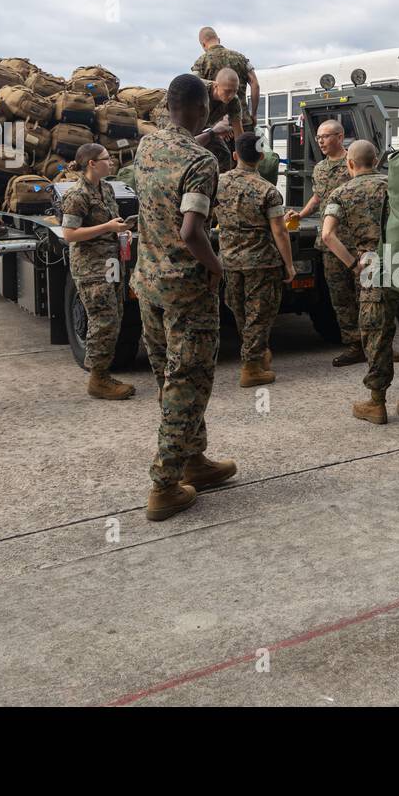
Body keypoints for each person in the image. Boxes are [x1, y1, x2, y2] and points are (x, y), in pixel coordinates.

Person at [132, 74, 237, 522]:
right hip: (187, 291)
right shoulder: (202, 161)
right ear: (202, 108)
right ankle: (165, 485)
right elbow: (192, 231)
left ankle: (194, 459)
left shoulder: (147, 147)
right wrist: (219, 268)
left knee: (168, 378)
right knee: (187, 383)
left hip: (149, 285)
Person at [322, 140, 399, 424]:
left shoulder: (341, 192)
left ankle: (377, 403)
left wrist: (352, 264)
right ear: (377, 161)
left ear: (349, 163)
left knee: (377, 338)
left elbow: (327, 236)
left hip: (374, 268)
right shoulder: (398, 186)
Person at [288, 119, 397, 367]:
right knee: (341, 297)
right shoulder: (321, 168)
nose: (321, 142)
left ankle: (377, 345)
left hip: (358, 241)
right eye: (318, 138)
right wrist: (302, 215)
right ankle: (354, 344)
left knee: (370, 298)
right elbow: (318, 196)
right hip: (331, 244)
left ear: (340, 136)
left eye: (325, 137)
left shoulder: (356, 161)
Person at [218, 132, 295, 387]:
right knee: (259, 315)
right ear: (262, 157)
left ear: (235, 155)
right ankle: (251, 367)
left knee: (240, 311)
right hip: (261, 261)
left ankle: (257, 354)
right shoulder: (268, 190)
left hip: (230, 260)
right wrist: (289, 264)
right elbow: (279, 231)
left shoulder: (218, 183)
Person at [60, 143, 134, 400]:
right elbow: (69, 234)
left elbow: (111, 224)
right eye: (106, 159)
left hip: (111, 264)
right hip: (91, 269)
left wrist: (122, 231)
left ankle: (103, 373)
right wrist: (108, 228)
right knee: (103, 321)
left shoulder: (107, 189)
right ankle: (98, 379)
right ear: (92, 163)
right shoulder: (77, 195)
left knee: (114, 320)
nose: (111, 162)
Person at [192, 26, 259, 131]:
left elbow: (194, 88)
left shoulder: (201, 62)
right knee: (244, 147)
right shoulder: (240, 58)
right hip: (243, 122)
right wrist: (254, 114)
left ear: (203, 44)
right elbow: (255, 84)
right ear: (218, 40)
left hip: (216, 127)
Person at [193, 69, 245, 173]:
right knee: (185, 150)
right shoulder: (198, 90)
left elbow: (238, 132)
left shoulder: (234, 101)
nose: (231, 95)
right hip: (175, 117)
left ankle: (221, 185)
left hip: (202, 124)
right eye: (227, 91)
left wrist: (243, 161)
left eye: (235, 91)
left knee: (223, 154)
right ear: (216, 86)